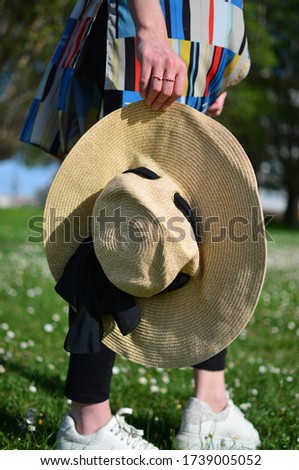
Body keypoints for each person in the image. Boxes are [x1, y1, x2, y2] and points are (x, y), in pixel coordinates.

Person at [21, 0, 261, 450]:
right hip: (156, 21)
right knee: (123, 204)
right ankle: (88, 422)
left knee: (190, 211)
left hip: (204, 35)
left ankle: (210, 406)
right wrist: (149, 29)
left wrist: (219, 68)